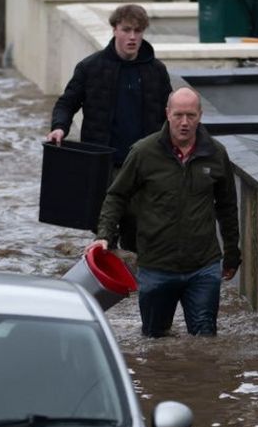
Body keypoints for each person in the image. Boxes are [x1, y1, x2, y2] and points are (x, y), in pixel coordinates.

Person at [87, 87, 241, 337]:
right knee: (154, 339)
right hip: (156, 266)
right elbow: (117, 196)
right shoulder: (143, 152)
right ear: (167, 114)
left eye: (191, 116)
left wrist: (233, 255)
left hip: (203, 266)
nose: (184, 123)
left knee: (205, 339)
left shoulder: (215, 153)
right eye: (179, 115)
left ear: (200, 116)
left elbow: (227, 207)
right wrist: (104, 235)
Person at [48, 4, 172, 248]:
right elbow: (66, 102)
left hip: (142, 166)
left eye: (138, 31)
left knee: (138, 235)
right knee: (104, 233)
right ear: (115, 30)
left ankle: (134, 282)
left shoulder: (156, 71)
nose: (133, 37)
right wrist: (59, 127)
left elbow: (169, 114)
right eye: (127, 30)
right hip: (102, 166)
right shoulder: (90, 68)